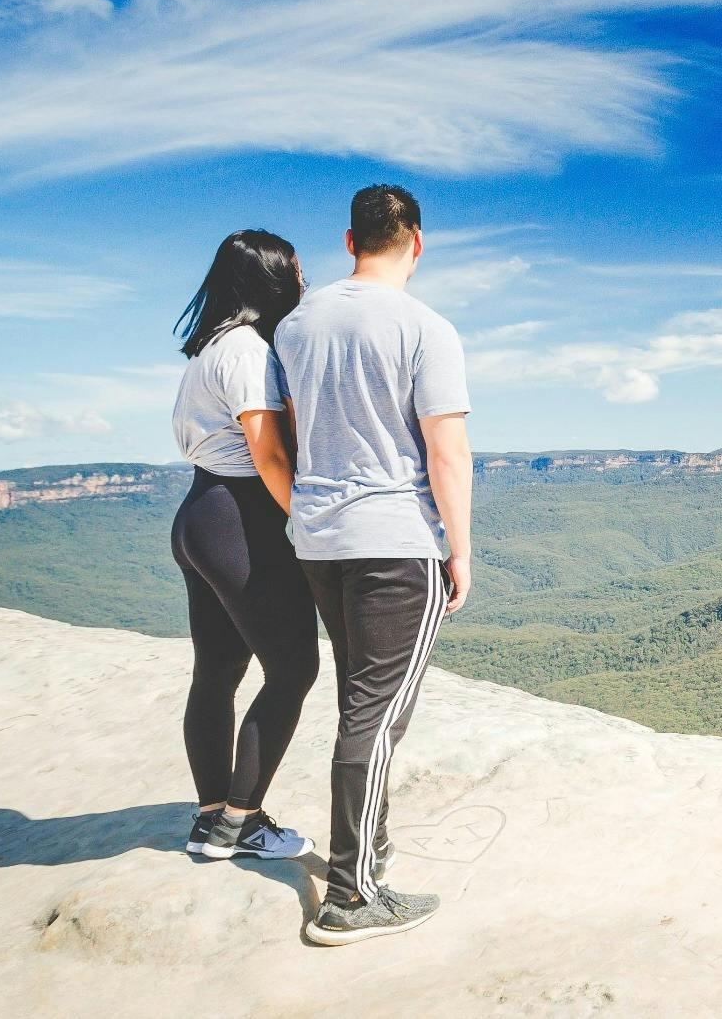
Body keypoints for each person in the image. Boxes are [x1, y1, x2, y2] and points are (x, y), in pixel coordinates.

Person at [275, 184, 473, 946]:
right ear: (415, 242)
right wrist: (461, 550)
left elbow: (293, 433)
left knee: (363, 704)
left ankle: (373, 853)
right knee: (376, 715)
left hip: (320, 541)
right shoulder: (425, 327)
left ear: (349, 240)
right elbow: (445, 450)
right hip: (395, 538)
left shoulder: (297, 325)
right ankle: (352, 896)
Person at [168, 229, 320, 863]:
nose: (304, 283)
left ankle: (211, 820)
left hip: (201, 514)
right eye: (296, 272)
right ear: (270, 281)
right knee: (294, 670)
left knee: (219, 672)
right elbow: (269, 451)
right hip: (240, 520)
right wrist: (308, 521)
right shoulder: (247, 352)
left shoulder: (208, 349)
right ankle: (241, 823)